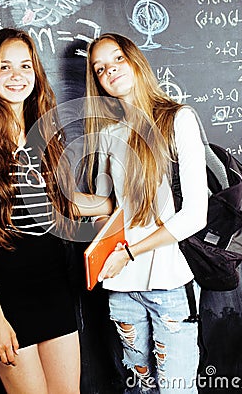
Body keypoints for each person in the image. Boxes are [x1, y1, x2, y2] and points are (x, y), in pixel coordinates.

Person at [0, 28, 112, 394]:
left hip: (55, 289)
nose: (17, 75)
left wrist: (116, 205)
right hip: (7, 297)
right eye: (5, 67)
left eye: (25, 66)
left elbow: (64, 203)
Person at [82, 32, 208, 393]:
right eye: (100, 68)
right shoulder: (109, 134)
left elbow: (195, 215)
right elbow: (107, 208)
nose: (110, 70)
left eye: (117, 58)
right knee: (139, 388)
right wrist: (57, 194)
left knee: (175, 390)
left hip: (170, 281)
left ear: (135, 59)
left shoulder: (177, 119)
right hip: (122, 287)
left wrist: (130, 252)